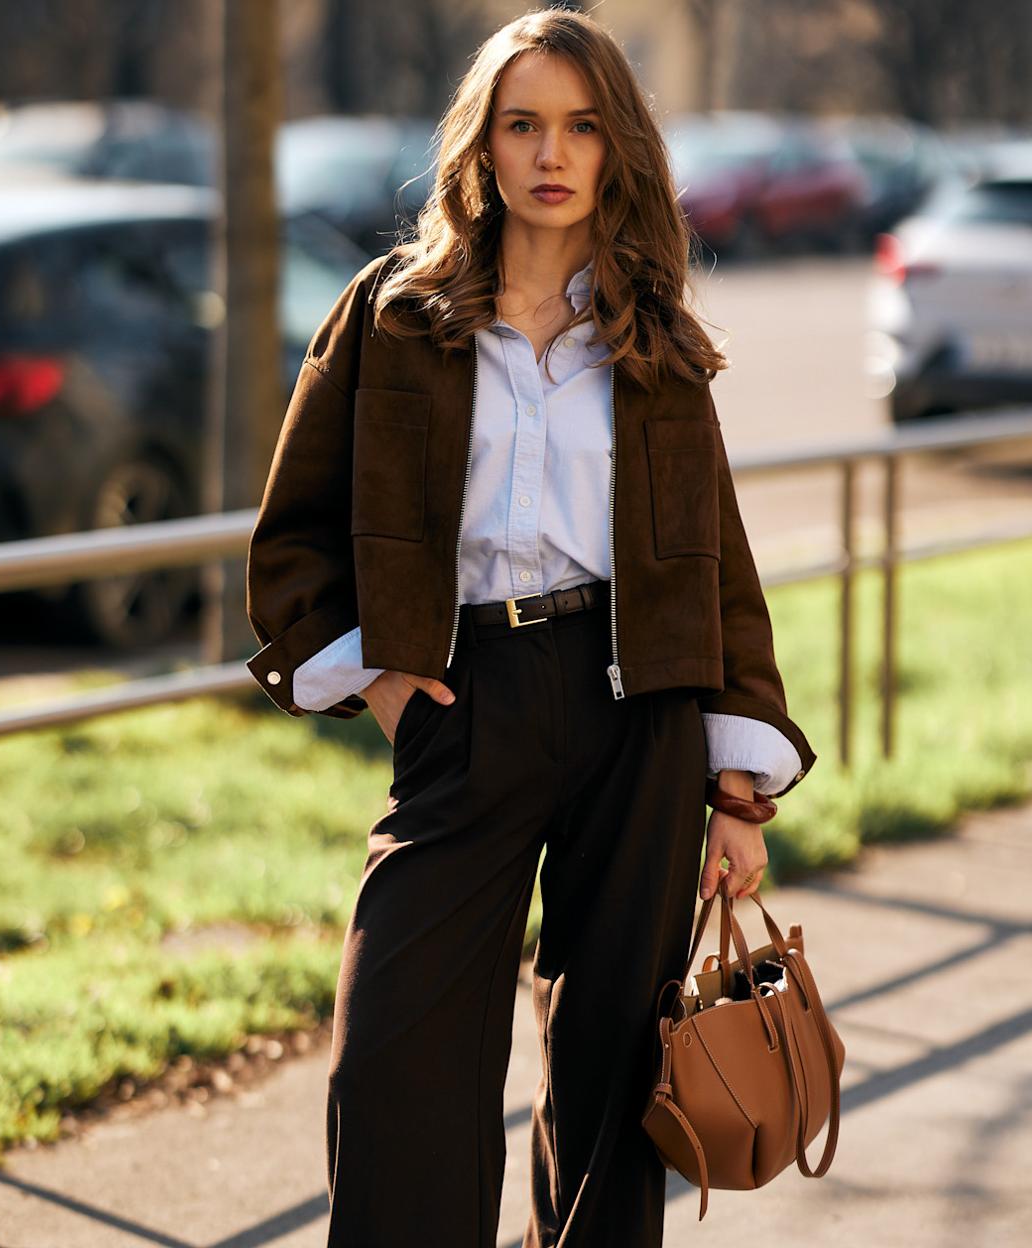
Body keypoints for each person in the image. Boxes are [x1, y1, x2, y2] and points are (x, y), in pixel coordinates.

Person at [244, 10, 817, 1246]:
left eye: (581, 125)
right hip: (462, 700)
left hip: (637, 716)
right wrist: (381, 688)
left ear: (616, 151)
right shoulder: (391, 317)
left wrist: (738, 790)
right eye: (523, 124)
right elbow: (292, 542)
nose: (552, 153)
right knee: (397, 1065)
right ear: (483, 147)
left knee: (615, 1079)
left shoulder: (652, 335)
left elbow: (716, 563)